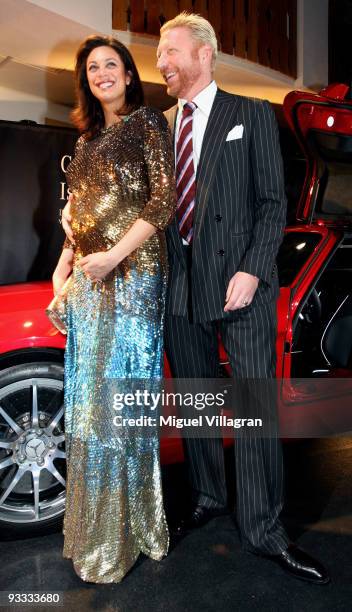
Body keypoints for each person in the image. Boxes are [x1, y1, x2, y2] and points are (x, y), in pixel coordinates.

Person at [62, 16, 329, 585]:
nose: (161, 64)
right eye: (158, 54)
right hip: (179, 288)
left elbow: (271, 204)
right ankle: (208, 496)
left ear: (204, 54)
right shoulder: (158, 124)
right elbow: (147, 205)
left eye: (170, 52)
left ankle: (264, 530)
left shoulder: (251, 114)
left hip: (241, 287)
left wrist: (255, 271)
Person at [51, 34, 176, 583]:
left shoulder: (147, 125)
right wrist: (66, 263)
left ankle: (125, 534)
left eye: (111, 64)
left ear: (128, 74)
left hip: (135, 275)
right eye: (92, 68)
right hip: (91, 277)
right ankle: (96, 530)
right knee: (90, 403)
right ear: (87, 81)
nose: (102, 73)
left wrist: (112, 257)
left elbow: (163, 201)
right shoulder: (83, 144)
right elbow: (77, 216)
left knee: (119, 400)